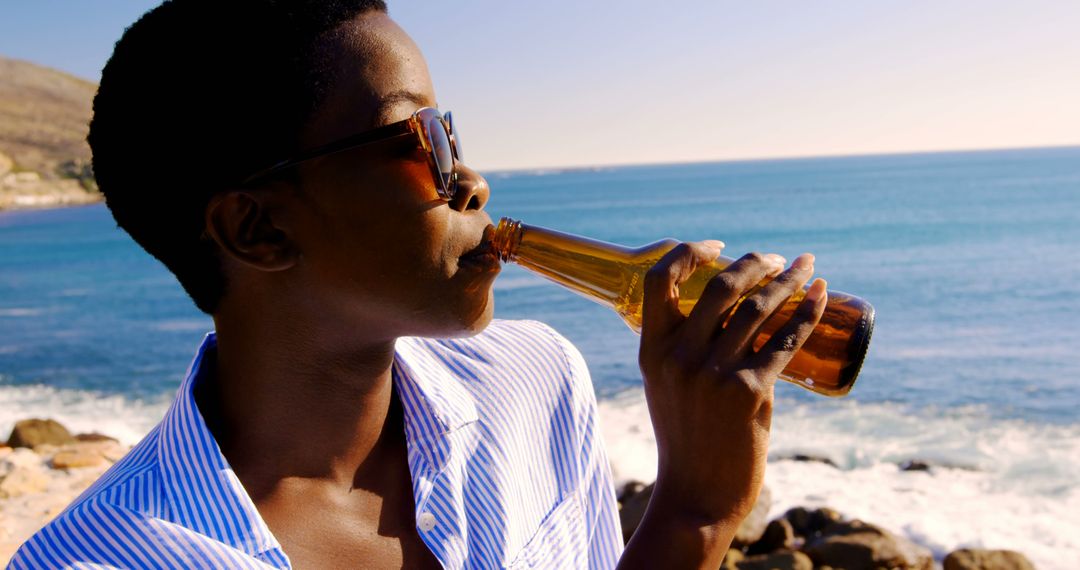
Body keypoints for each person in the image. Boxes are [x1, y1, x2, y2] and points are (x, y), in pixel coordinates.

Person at [9, 1, 827, 568]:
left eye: (452, 131)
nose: (470, 181)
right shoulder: (106, 560)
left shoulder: (535, 378)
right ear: (259, 230)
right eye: (420, 140)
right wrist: (693, 514)